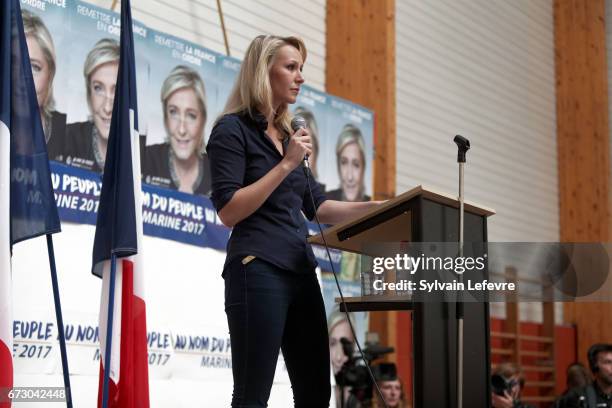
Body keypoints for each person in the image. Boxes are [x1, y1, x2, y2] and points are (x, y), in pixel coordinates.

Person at [206, 34, 383, 408]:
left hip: (301, 273)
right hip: (258, 268)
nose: (300, 76)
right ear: (262, 71)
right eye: (290, 67)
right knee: (253, 395)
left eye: (301, 68)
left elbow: (317, 207)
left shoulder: (289, 137)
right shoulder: (231, 130)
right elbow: (229, 210)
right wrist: (286, 163)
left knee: (317, 393)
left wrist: (380, 207)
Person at [143, 65, 211, 195]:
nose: (181, 129)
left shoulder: (219, 174)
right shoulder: (145, 159)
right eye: (173, 113)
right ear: (165, 117)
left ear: (203, 120)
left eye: (191, 115)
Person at [64, 38, 119, 173]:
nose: (107, 108)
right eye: (98, 88)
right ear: (89, 94)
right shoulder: (67, 138)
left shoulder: (142, 156)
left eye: (117, 91)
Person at [22, 9, 66, 161]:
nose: (22, 78)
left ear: (50, 75)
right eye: (13, 64)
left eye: (34, 67)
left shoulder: (69, 135)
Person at [326, 123, 370, 202]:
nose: (350, 177)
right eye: (344, 163)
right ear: (338, 167)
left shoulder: (374, 208)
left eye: (356, 165)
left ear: (363, 168)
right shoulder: (325, 201)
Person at [293, 106, 321, 181]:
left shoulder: (319, 191)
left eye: (306, 146)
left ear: (316, 153)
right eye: (298, 145)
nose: (301, 155)